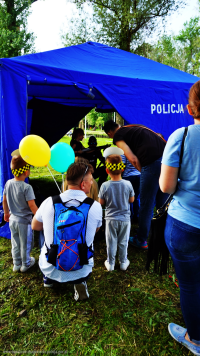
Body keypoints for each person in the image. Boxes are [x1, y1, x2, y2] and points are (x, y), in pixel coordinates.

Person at [159, 80, 200, 355]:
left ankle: (195, 339)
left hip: (185, 224)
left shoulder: (181, 136)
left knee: (190, 284)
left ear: (189, 108)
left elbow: (166, 187)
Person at [32, 162, 102, 301]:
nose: (92, 183)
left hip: (50, 266)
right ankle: (80, 281)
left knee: (43, 229)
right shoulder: (95, 206)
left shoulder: (49, 202)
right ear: (83, 184)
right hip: (82, 268)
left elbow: (34, 226)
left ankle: (48, 278)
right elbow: (95, 231)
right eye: (91, 180)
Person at [103, 120, 168, 250]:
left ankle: (141, 239)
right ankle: (164, 237)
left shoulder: (118, 135)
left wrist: (145, 173)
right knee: (163, 204)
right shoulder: (134, 128)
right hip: (167, 159)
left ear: (110, 132)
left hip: (151, 162)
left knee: (146, 203)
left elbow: (131, 158)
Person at [99, 153, 134, 271]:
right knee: (123, 241)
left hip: (110, 219)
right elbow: (132, 200)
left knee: (111, 241)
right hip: (124, 219)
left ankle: (111, 263)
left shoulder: (104, 185)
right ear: (122, 169)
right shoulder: (128, 184)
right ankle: (123, 262)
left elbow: (101, 202)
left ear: (107, 170)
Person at [3, 155, 38, 272]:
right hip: (24, 222)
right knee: (25, 244)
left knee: (15, 243)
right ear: (26, 171)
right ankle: (26, 264)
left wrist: (6, 213)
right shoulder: (27, 187)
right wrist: (39, 217)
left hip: (12, 220)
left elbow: (4, 200)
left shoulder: (8, 183)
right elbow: (32, 205)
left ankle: (16, 264)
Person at [121, 154, 140, 224]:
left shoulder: (124, 151)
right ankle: (137, 216)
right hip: (138, 175)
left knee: (128, 198)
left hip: (127, 176)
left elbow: (122, 164)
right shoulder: (137, 148)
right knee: (137, 197)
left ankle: (130, 217)